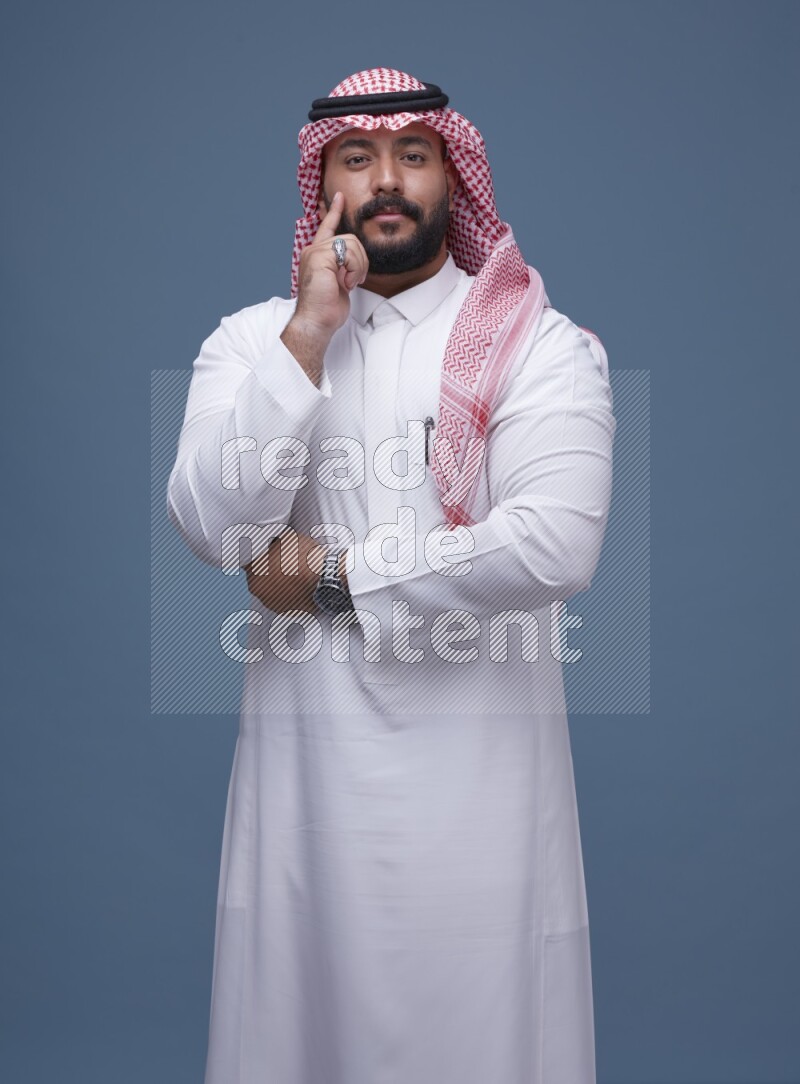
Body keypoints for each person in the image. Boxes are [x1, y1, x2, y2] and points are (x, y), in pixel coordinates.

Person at [166, 67, 615, 1084]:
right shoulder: (252, 345)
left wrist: (328, 577)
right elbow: (210, 521)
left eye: (413, 156)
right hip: (307, 799)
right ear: (318, 183)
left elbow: (550, 544)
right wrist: (310, 333)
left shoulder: (538, 349)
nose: (386, 182)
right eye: (355, 159)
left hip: (481, 801)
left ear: (453, 177)